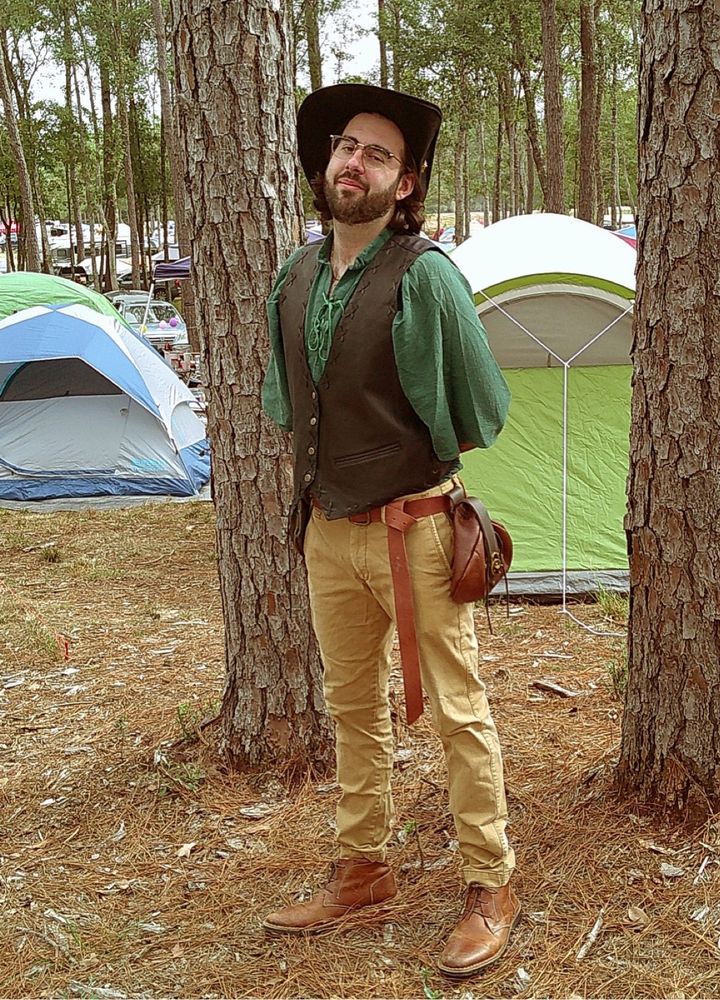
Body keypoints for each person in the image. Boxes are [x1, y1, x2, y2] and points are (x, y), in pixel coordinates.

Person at [261, 84, 519, 979]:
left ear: (404, 184)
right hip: (326, 532)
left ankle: (491, 884)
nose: (353, 162)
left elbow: (480, 409)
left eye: (376, 154)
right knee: (352, 709)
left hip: (413, 532)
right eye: (344, 146)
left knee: (457, 709)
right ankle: (363, 867)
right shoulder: (294, 278)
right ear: (325, 162)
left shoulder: (427, 275)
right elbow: (287, 407)